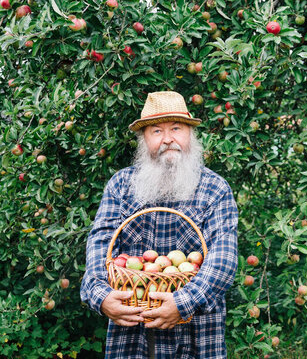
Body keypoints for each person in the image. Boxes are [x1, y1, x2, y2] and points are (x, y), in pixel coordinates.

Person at [80, 91, 238, 358]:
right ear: (144, 140)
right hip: (132, 331)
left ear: (190, 134)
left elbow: (224, 259)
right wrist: (100, 295)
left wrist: (183, 302)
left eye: (176, 128)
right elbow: (100, 244)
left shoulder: (215, 188)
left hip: (197, 334)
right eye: (156, 131)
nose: (167, 139)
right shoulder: (121, 185)